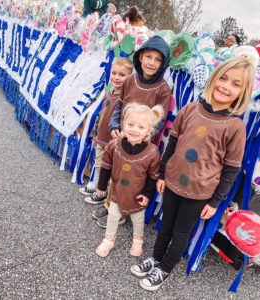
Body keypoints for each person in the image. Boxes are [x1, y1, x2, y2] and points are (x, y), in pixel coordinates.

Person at [130, 57, 255, 291]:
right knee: (165, 224)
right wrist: (163, 175)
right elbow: (172, 144)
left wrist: (216, 202)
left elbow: (231, 169)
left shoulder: (234, 127)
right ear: (214, 78)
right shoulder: (190, 109)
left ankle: (165, 268)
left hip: (199, 193)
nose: (226, 86)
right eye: (223, 78)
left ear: (243, 91)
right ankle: (156, 258)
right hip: (173, 182)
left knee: (181, 232)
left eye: (236, 84)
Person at [95, 103, 162, 257]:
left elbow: (153, 176)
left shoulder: (152, 152)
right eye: (130, 124)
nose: (134, 130)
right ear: (123, 123)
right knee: (113, 215)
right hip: (117, 191)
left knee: (138, 219)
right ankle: (108, 240)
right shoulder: (114, 146)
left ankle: (138, 240)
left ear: (149, 130)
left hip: (137, 194)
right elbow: (106, 165)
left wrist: (146, 194)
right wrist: (101, 186)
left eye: (140, 127)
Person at [79, 58, 133, 209]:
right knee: (98, 163)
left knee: (107, 166)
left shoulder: (125, 98)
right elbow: (103, 113)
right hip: (101, 137)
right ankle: (95, 184)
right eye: (114, 73)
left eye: (122, 74)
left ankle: (102, 193)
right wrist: (96, 132)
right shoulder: (110, 92)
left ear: (130, 77)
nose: (116, 77)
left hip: (111, 140)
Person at [109, 35, 172, 141]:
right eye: (148, 57)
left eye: (158, 60)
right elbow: (119, 107)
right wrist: (114, 125)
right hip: (119, 138)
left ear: (163, 64)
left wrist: (146, 135)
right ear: (140, 57)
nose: (151, 63)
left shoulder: (163, 90)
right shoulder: (129, 80)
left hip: (141, 145)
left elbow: (160, 120)